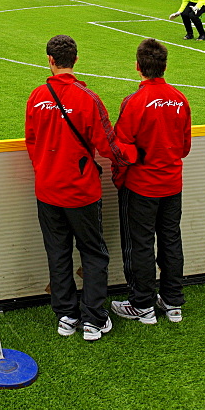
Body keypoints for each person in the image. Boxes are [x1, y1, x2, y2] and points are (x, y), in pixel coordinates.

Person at [25, 34, 136, 342]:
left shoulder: (37, 96)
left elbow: (31, 141)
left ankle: (66, 315)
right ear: (75, 60)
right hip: (81, 192)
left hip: (48, 190)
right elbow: (109, 145)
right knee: (93, 252)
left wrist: (45, 169)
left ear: (49, 60)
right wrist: (133, 156)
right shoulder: (88, 98)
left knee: (57, 252)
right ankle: (93, 319)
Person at [111, 39, 191, 325]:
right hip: (172, 184)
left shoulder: (134, 102)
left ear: (137, 66)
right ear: (165, 66)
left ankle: (142, 304)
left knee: (140, 243)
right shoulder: (180, 99)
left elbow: (122, 148)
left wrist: (124, 172)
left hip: (142, 186)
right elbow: (184, 147)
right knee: (171, 239)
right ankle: (172, 302)